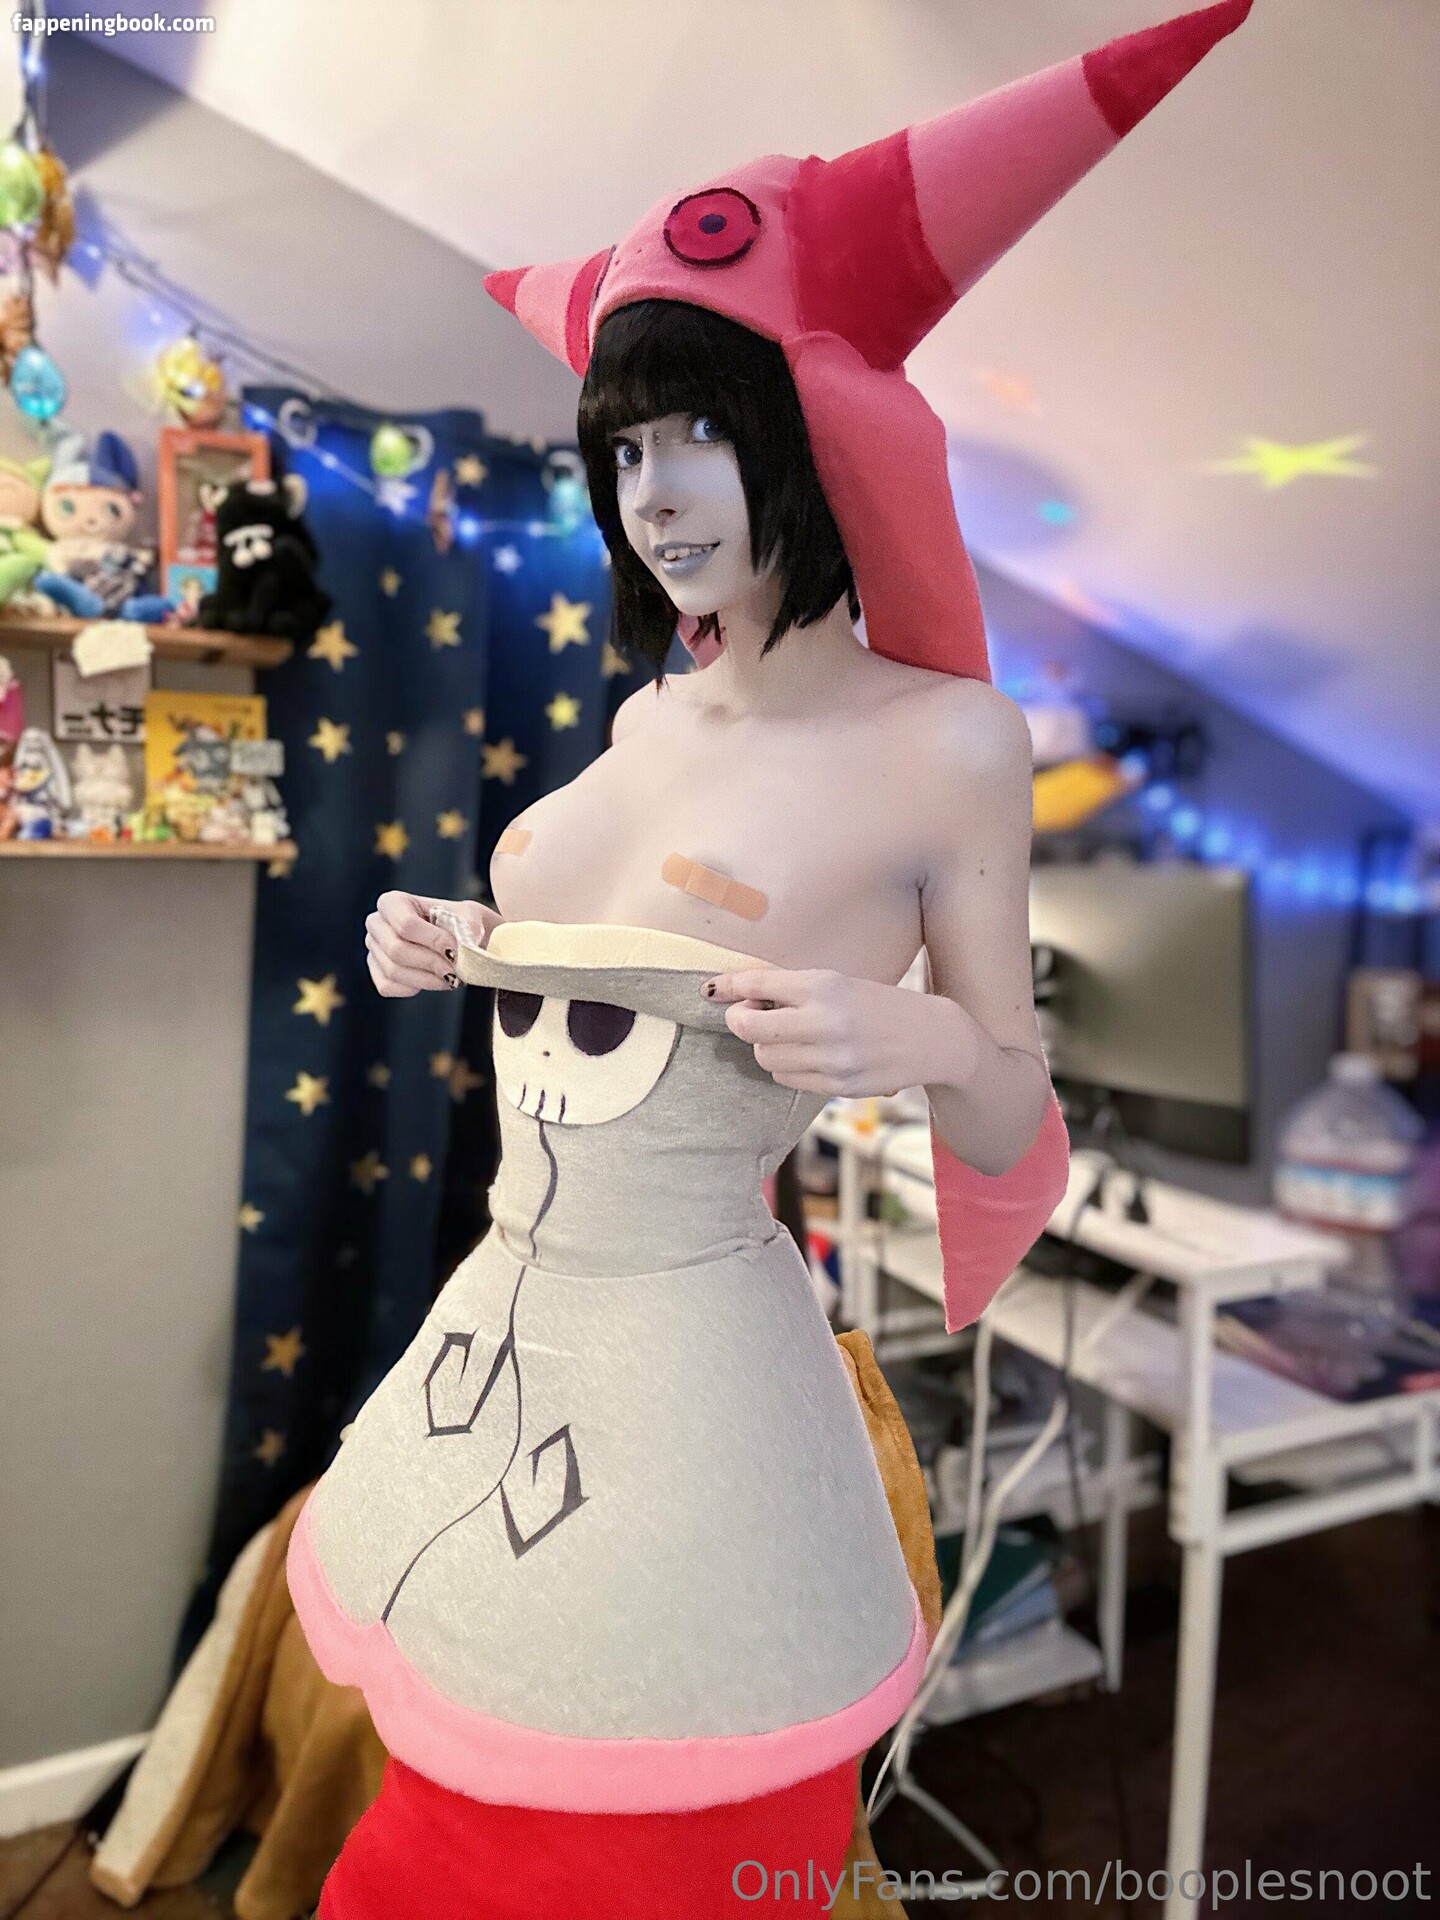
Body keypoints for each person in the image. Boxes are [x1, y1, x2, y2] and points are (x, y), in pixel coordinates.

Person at [293, 7, 1252, 1914]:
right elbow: (602, 962)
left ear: (812, 435)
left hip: (691, 1404)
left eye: (702, 434)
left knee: (641, 1846)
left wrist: (918, 1033)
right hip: (492, 1348)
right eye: (623, 448)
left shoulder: (948, 741)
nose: (651, 496)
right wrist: (460, 941)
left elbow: (1011, 1102)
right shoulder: (650, 713)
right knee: (427, 1830)